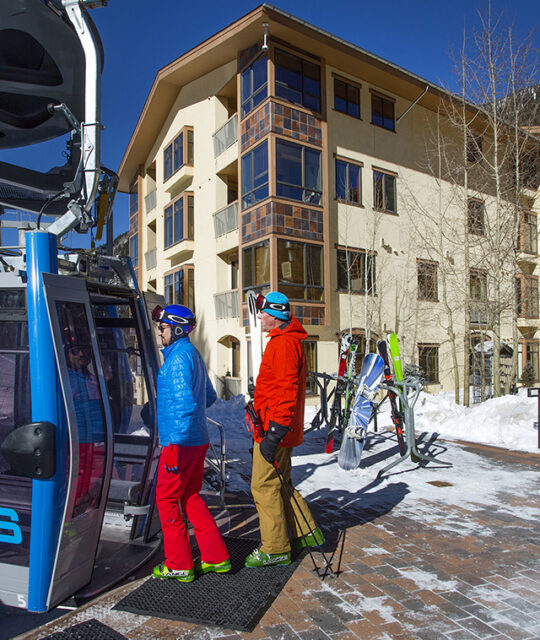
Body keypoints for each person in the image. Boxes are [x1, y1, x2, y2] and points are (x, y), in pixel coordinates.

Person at [152, 304, 230, 582]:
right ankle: (216, 556)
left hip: (180, 443)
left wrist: (174, 447)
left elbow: (184, 405)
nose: (159, 333)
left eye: (161, 328)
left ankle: (178, 564)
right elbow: (208, 397)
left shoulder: (175, 361)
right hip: (198, 440)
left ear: (175, 329)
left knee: (167, 498)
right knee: (190, 496)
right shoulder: (192, 355)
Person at [246, 291, 324, 568]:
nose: (260, 316)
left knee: (263, 485)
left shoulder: (283, 344)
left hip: (273, 430)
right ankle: (307, 533)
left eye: (264, 313)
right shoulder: (285, 341)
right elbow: (277, 385)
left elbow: (286, 391)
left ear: (276, 316)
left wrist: (274, 433)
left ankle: (276, 548)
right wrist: (260, 392)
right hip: (276, 426)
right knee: (281, 482)